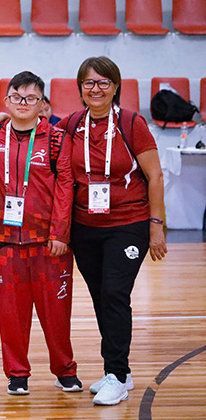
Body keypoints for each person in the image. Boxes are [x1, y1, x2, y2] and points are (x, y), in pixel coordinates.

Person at [58, 56, 167, 406]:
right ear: (80, 88)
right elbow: (37, 129)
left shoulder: (132, 123)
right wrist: (1, 116)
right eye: (89, 83)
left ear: (116, 86)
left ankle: (117, 375)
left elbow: (155, 177)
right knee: (102, 297)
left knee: (115, 295)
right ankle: (120, 371)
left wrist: (156, 226)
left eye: (104, 82)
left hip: (128, 224)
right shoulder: (73, 123)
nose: (96, 89)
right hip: (85, 226)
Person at [0, 71, 81, 396]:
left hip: (49, 243)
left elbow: (66, 186)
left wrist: (60, 233)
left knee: (56, 312)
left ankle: (65, 370)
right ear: (6, 101)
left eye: (31, 98)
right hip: (6, 240)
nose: (23, 103)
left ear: (43, 105)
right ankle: (17, 374)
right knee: (11, 313)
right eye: (17, 97)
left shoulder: (55, 138)